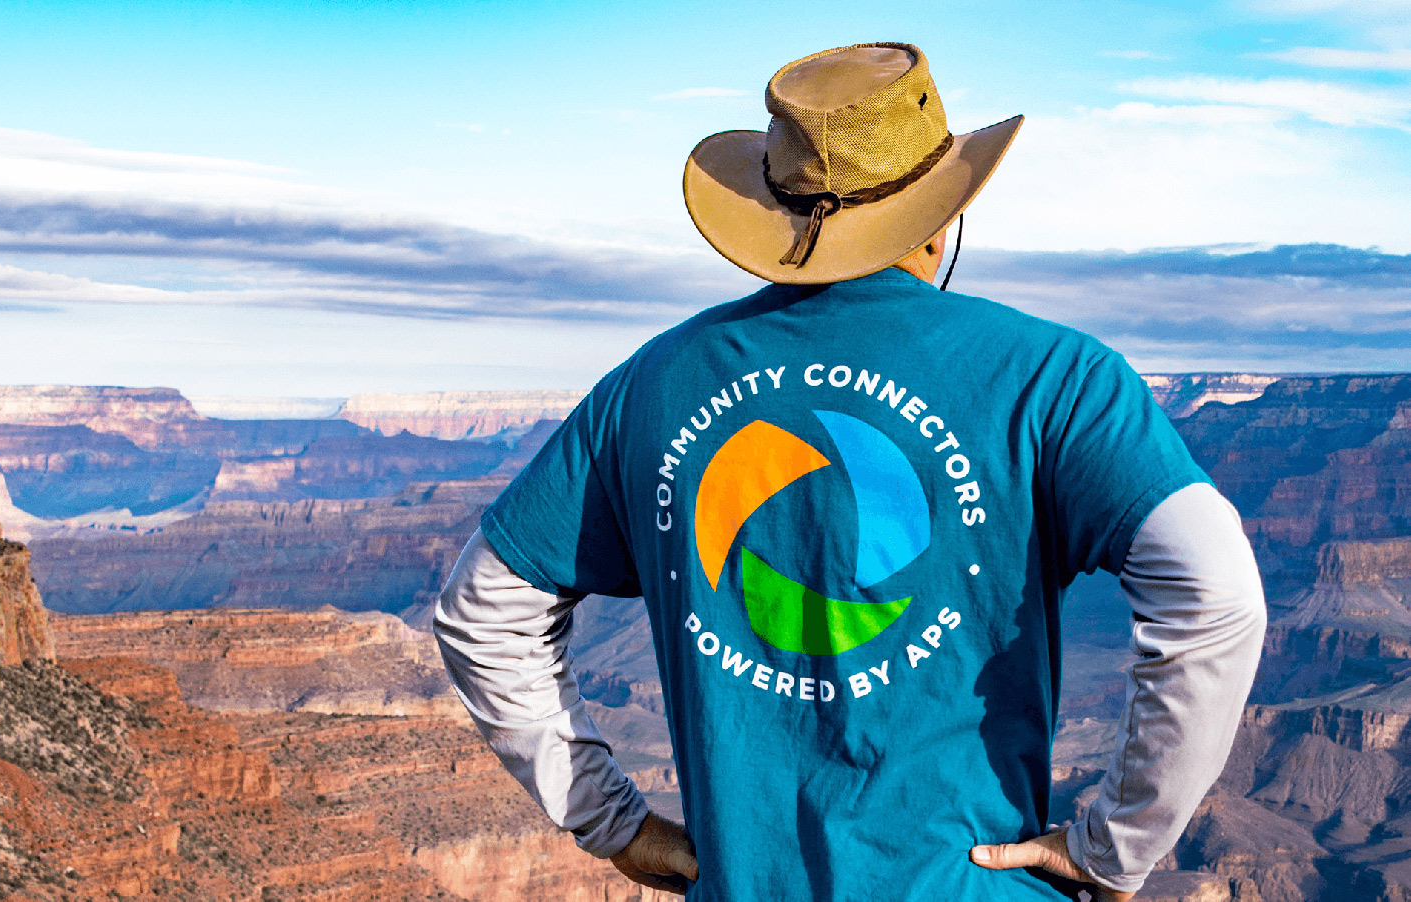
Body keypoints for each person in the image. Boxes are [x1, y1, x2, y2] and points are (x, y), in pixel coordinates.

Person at [434, 42, 1266, 901]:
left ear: (777, 215)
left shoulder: (648, 388)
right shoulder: (1056, 378)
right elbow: (1216, 596)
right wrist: (1116, 846)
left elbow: (481, 612)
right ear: (942, 216)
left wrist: (610, 819)